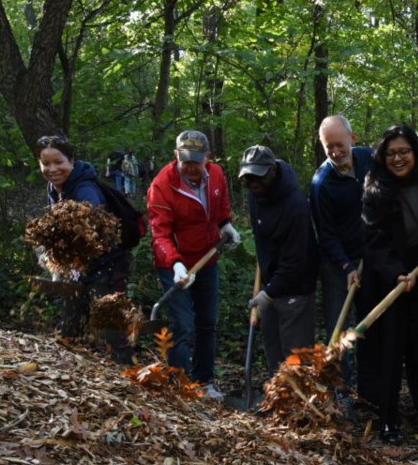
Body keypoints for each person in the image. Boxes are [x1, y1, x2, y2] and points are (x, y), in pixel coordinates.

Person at [357, 124, 418, 444]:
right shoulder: (375, 186)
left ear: (414, 153)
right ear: (382, 157)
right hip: (388, 277)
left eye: (404, 152)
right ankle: (388, 417)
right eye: (391, 153)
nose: (398, 159)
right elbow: (372, 240)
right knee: (390, 347)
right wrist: (395, 272)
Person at [146, 129, 241, 399]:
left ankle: (203, 382)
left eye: (195, 161)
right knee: (183, 324)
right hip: (174, 265)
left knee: (207, 322)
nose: (190, 167)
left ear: (207, 158)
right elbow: (160, 234)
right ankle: (179, 387)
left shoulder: (217, 175)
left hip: (207, 259)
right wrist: (175, 265)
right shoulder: (162, 186)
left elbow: (221, 210)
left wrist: (226, 226)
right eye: (184, 160)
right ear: (176, 155)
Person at [35, 135, 132, 360]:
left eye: (59, 162)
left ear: (71, 160)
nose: (53, 169)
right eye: (45, 163)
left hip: (106, 268)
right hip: (77, 271)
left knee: (112, 329)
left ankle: (127, 377)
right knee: (71, 328)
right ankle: (72, 378)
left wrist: (62, 252)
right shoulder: (55, 188)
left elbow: (96, 230)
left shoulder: (84, 189)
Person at [239, 145, 319, 376]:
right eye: (248, 177)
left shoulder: (294, 205)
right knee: (273, 349)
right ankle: (279, 399)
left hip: (295, 286)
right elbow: (262, 237)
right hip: (271, 282)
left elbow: (295, 259)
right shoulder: (255, 192)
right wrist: (267, 284)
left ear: (272, 171)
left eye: (258, 176)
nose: (253, 182)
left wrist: (270, 291)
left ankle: (301, 403)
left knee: (295, 353)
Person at [309, 115, 374, 395]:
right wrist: (347, 266)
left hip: (371, 258)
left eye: (340, 144)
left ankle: (371, 391)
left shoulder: (371, 160)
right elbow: (326, 234)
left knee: (370, 325)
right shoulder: (321, 183)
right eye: (328, 147)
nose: (335, 152)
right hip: (338, 264)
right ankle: (341, 394)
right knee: (340, 332)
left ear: (353, 138)